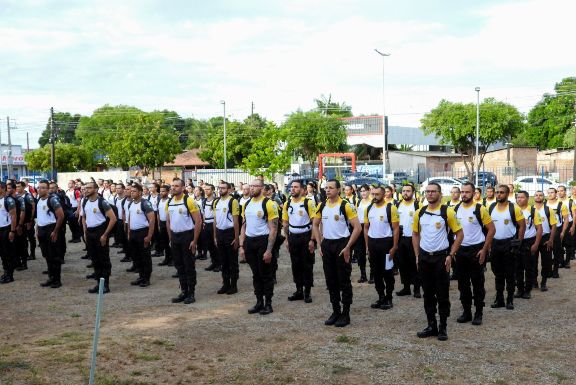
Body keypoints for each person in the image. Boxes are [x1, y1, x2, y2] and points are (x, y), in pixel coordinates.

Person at [412, 182, 463, 341]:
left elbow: (460, 234)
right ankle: (431, 324)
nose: (430, 194)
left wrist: (451, 255)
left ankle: (443, 327)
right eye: (427, 191)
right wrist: (417, 255)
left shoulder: (447, 212)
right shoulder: (419, 213)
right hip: (425, 258)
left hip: (441, 258)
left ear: (440, 194)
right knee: (427, 292)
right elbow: (415, 234)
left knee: (442, 292)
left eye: (433, 191)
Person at [312, 179, 362, 328]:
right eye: (326, 188)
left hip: (342, 244)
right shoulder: (321, 205)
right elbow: (315, 224)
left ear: (338, 190)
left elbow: (357, 228)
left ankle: (345, 313)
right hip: (327, 244)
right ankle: (335, 311)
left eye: (331, 188)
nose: (327, 190)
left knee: (343, 280)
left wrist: (348, 247)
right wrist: (319, 244)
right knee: (330, 280)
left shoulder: (345, 205)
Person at [453, 182, 495, 326]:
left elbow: (491, 229)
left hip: (476, 250)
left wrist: (484, 249)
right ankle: (466, 312)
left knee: (477, 283)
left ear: (473, 193)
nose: (464, 194)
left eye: (467, 192)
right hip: (460, 250)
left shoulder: (480, 209)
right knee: (462, 284)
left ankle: (478, 313)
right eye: (462, 192)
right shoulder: (455, 209)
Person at [240, 178, 279, 315]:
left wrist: (269, 250)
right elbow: (244, 226)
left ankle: (268, 304)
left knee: (266, 274)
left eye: (255, 186)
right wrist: (241, 246)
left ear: (262, 188)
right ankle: (258, 302)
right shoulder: (247, 204)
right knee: (256, 274)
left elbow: (273, 228)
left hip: (263, 241)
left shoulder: (269, 204)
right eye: (250, 186)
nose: (251, 188)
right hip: (250, 242)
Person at [489, 184, 525, 310]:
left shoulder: (513, 208)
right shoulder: (491, 207)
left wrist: (518, 242)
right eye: (497, 192)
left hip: (509, 244)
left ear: (508, 194)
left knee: (510, 274)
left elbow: (522, 225)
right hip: (495, 244)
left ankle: (510, 299)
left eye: (502, 192)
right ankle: (499, 299)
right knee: (497, 273)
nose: (499, 194)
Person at [166, 179, 203, 304]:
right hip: (175, 237)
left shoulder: (189, 201)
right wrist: (170, 237)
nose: (173, 188)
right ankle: (184, 291)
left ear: (182, 188)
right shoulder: (170, 202)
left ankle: (191, 293)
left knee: (189, 265)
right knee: (179, 265)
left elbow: (198, 221)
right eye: (172, 186)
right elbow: (168, 221)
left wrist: (194, 240)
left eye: (176, 186)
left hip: (187, 236)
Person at [364, 186, 400, 310]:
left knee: (388, 273)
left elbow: (395, 229)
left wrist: (394, 246)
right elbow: (366, 228)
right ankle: (381, 296)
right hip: (373, 244)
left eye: (377, 194)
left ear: (383, 194)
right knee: (376, 272)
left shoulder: (391, 208)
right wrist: (367, 246)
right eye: (372, 194)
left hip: (386, 243)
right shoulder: (369, 209)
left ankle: (389, 298)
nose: (374, 196)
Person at [282, 180, 316, 303]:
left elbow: (315, 223)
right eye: (291, 187)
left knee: (307, 264)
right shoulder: (287, 203)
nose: (293, 189)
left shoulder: (309, 203)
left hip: (306, 236)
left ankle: (307, 292)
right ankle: (298, 290)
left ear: (302, 190)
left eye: (296, 187)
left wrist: (312, 240)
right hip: (293, 237)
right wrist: (286, 238)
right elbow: (285, 222)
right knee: (295, 264)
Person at [81, 182, 117, 293]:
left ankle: (105, 285)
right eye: (85, 188)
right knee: (94, 259)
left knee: (103, 259)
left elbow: (113, 218)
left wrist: (105, 235)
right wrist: (85, 232)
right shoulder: (85, 201)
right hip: (90, 232)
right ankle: (98, 283)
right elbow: (84, 217)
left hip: (100, 232)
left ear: (96, 189)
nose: (86, 190)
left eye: (89, 188)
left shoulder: (102, 202)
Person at [36, 180, 65, 288]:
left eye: (43, 187)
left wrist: (55, 231)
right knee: (47, 255)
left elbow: (61, 216)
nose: (40, 189)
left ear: (48, 189)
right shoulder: (39, 199)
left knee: (54, 256)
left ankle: (57, 280)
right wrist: (37, 228)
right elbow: (40, 216)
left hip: (51, 229)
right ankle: (51, 277)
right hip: (42, 230)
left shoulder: (52, 200)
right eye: (39, 187)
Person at [213, 181, 240, 295]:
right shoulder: (216, 202)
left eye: (223, 188)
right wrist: (214, 236)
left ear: (229, 190)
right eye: (219, 188)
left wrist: (236, 237)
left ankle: (233, 285)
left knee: (232, 261)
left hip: (229, 233)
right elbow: (215, 220)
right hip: (220, 233)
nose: (220, 190)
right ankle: (225, 284)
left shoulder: (233, 201)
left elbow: (236, 221)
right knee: (223, 261)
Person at [514, 190, 542, 300]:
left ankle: (527, 290)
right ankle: (519, 289)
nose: (519, 199)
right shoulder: (513, 210)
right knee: (517, 267)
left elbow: (539, 228)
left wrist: (536, 243)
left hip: (529, 242)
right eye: (518, 197)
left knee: (529, 267)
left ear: (527, 198)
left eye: (522, 197)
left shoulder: (533, 211)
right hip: (516, 242)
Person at [127, 184, 156, 287]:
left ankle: (146, 278)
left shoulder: (145, 203)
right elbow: (130, 219)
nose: (132, 193)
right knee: (136, 256)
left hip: (142, 232)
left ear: (140, 192)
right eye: (131, 191)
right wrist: (129, 233)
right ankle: (140, 276)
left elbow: (152, 220)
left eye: (134, 191)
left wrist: (149, 236)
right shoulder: (131, 204)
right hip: (133, 233)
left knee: (145, 257)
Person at [395, 184, 421, 298]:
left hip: (413, 238)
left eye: (408, 191)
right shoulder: (397, 205)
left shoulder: (417, 205)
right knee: (402, 264)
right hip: (401, 238)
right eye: (404, 191)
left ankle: (416, 289)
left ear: (413, 192)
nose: (405, 193)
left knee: (414, 263)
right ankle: (406, 287)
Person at [533, 190, 556, 291]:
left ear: (543, 197)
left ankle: (544, 282)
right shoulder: (531, 209)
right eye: (536, 195)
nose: (538, 197)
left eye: (540, 195)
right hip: (533, 238)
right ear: (534, 197)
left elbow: (554, 225)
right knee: (532, 262)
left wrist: (551, 239)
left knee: (546, 262)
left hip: (545, 238)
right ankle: (534, 281)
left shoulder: (548, 209)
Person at [546, 187, 569, 278]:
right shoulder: (544, 204)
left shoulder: (561, 205)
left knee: (556, 252)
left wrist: (563, 232)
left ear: (556, 194)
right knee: (547, 252)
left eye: (552, 192)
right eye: (548, 193)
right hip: (546, 231)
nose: (550, 194)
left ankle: (555, 271)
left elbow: (566, 219)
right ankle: (548, 271)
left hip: (557, 230)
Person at [0, 182, 18, 284]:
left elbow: (13, 216)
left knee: (8, 253)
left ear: (2, 188)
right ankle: (6, 272)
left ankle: (10, 275)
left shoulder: (9, 200)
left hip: (6, 229)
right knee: (2, 253)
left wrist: (12, 231)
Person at [354, 184, 372, 283]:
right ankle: (363, 274)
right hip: (360, 228)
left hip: (370, 228)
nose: (363, 193)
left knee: (371, 252)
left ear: (369, 191)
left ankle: (372, 275)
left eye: (365, 190)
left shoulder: (372, 202)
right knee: (360, 253)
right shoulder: (359, 202)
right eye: (361, 191)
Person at [201, 184, 220, 272]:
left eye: (208, 189)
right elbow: (203, 213)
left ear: (212, 190)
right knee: (209, 245)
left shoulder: (216, 201)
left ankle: (219, 264)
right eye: (205, 189)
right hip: (207, 224)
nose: (206, 191)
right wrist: (204, 222)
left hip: (214, 224)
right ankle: (213, 262)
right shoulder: (204, 201)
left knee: (215, 245)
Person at [557, 185, 574, 268]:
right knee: (559, 244)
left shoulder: (570, 201)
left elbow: (574, 215)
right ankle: (560, 261)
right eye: (558, 191)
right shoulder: (556, 202)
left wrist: (573, 226)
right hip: (558, 225)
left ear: (565, 191)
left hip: (568, 224)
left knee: (568, 244)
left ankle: (567, 262)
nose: (560, 193)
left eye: (561, 191)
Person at [157, 184, 173, 267]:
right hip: (162, 224)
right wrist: (159, 224)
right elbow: (158, 213)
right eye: (160, 191)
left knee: (171, 242)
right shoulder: (160, 200)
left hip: (169, 224)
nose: (161, 193)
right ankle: (167, 258)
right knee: (165, 242)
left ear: (168, 192)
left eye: (163, 191)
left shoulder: (170, 201)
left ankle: (172, 259)